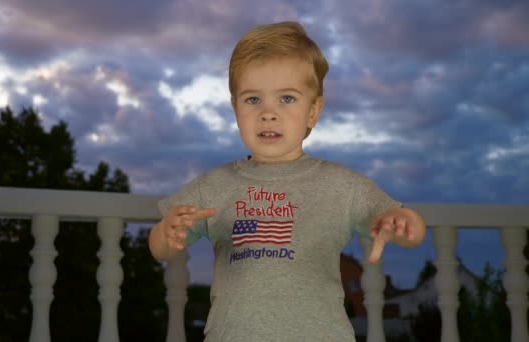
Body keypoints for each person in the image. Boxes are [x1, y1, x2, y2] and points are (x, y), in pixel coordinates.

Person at [149, 21, 426, 341]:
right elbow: (160, 246)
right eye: (253, 99)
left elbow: (407, 228)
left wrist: (406, 223)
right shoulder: (213, 185)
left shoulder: (343, 185)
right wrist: (166, 236)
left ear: (313, 111)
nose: (268, 113)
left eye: (287, 99)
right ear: (234, 108)